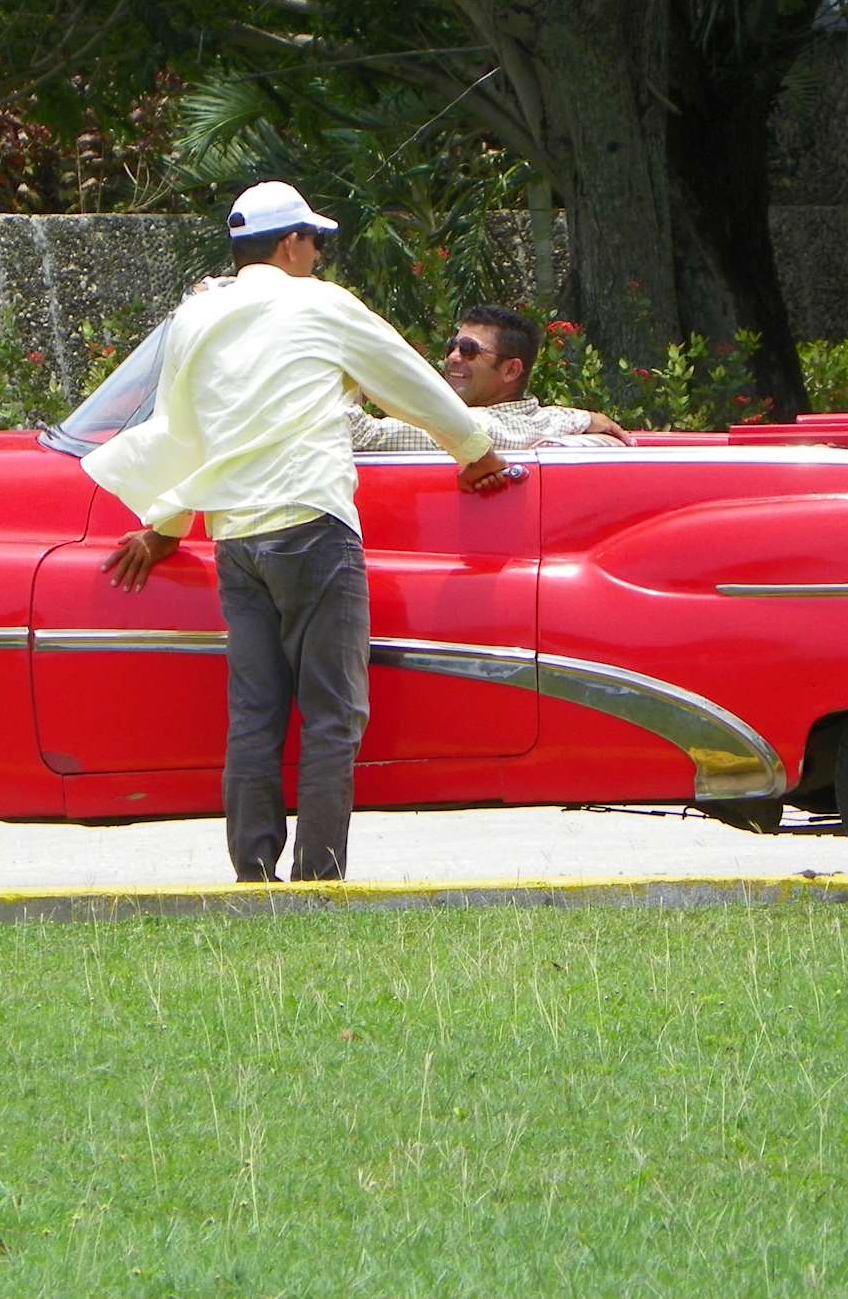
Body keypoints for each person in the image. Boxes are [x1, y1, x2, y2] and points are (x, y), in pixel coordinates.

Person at [82, 180, 514, 883]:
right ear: (290, 243)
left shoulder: (196, 316)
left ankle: (254, 874)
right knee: (332, 714)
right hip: (312, 523)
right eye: (315, 242)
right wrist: (474, 452)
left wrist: (166, 524)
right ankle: (319, 876)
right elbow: (407, 381)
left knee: (255, 714)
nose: (318, 255)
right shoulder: (320, 303)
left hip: (235, 537)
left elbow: (177, 425)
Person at [346, 304, 633, 450]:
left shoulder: (488, 427)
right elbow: (544, 420)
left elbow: (361, 435)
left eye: (469, 350)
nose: (453, 357)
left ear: (511, 370)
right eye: (452, 346)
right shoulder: (540, 419)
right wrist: (583, 418)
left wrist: (346, 366)